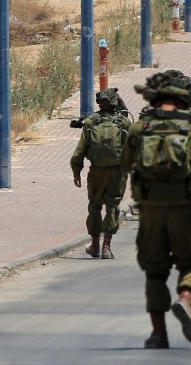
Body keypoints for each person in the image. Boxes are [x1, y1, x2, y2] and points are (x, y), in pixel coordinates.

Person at [123, 73, 191, 349]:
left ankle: (158, 334)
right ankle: (185, 300)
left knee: (155, 272)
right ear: (181, 101)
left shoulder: (139, 128)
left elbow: (127, 164)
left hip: (151, 210)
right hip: (185, 207)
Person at [70, 88, 131, 260]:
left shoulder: (90, 122)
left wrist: (76, 171)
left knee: (95, 206)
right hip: (118, 172)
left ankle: (95, 244)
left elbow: (80, 150)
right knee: (112, 206)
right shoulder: (123, 123)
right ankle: (106, 247)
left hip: (96, 171)